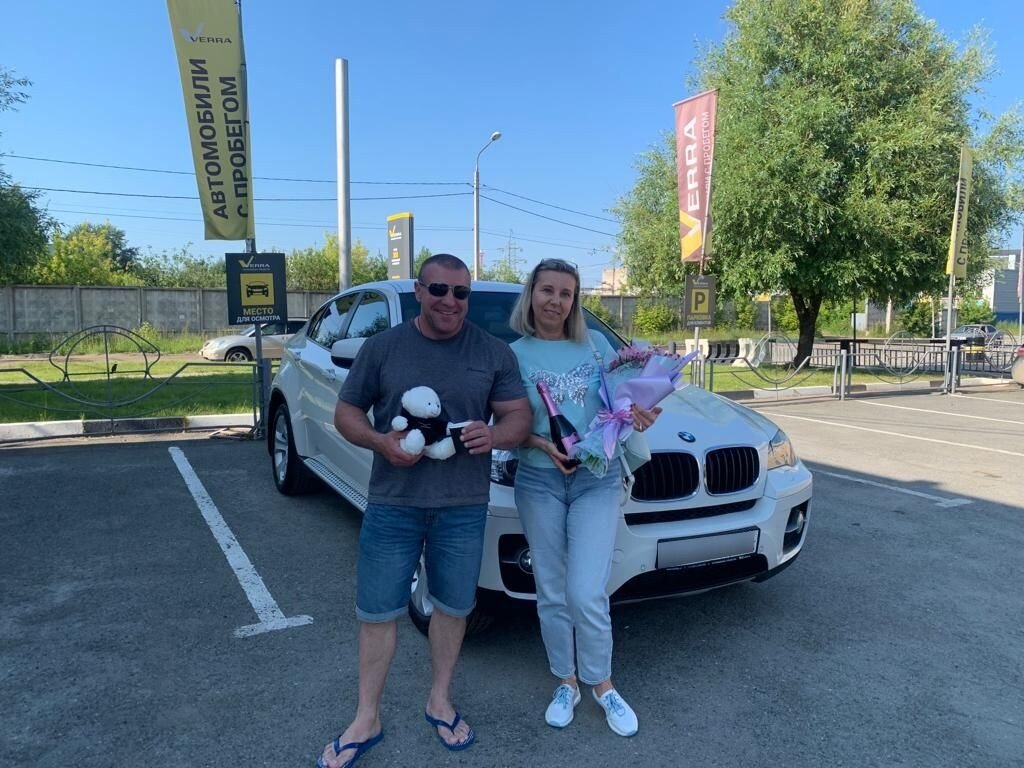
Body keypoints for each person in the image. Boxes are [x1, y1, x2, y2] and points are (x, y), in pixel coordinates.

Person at [319, 253, 532, 768]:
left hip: (463, 506)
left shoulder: (493, 352)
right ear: (419, 290)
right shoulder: (383, 347)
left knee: (454, 608)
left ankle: (440, 700)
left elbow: (518, 416)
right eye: (438, 289)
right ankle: (366, 717)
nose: (449, 301)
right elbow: (346, 411)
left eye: (461, 293)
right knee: (377, 611)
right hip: (394, 503)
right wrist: (379, 442)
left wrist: (495, 435)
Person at [508, 258, 661, 738]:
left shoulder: (596, 345)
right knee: (551, 590)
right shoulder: (512, 355)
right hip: (539, 482)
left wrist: (640, 413)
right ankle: (566, 681)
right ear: (531, 294)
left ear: (575, 301)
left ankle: (602, 685)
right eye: (547, 290)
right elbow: (505, 424)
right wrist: (538, 443)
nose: (555, 301)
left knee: (586, 591)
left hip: (597, 478)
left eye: (566, 293)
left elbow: (623, 405)